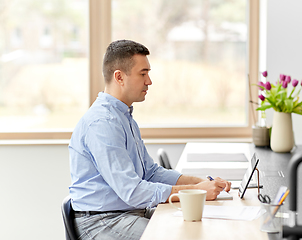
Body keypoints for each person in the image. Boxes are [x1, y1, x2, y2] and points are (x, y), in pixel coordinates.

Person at [69, 39, 231, 240]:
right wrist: (196, 191)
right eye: (143, 74)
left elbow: (151, 173)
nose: (149, 81)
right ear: (119, 77)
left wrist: (201, 181)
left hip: (128, 213)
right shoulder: (103, 123)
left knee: (198, 227)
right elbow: (133, 191)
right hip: (103, 222)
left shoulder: (123, 116)